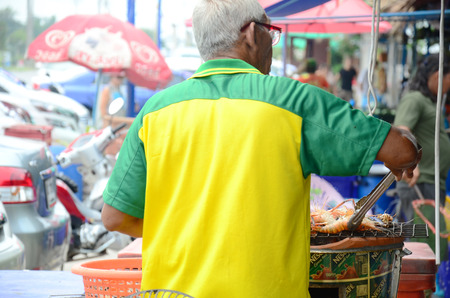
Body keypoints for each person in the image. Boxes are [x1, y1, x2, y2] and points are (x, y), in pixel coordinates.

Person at [101, 0, 421, 296]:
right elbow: (402, 152)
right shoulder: (293, 101)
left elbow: (116, 217)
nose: (272, 41)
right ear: (252, 34)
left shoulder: (155, 110)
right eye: (271, 32)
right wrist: (407, 137)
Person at [394, 54, 450, 223]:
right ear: (437, 75)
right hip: (419, 182)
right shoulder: (414, 99)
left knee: (430, 240)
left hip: (430, 182)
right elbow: (401, 130)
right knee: (424, 240)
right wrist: (410, 163)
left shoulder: (429, 101)